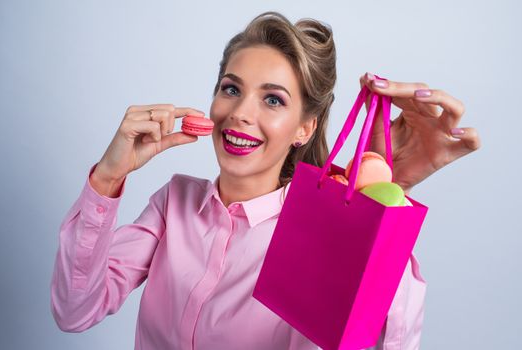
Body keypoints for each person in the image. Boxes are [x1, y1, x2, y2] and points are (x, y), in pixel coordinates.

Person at [50, 11, 480, 350]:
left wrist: (383, 215)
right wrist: (108, 176)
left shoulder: (323, 231)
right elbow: (74, 312)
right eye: (231, 89)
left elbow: (385, 341)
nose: (240, 113)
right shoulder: (173, 202)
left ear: (304, 129)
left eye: (272, 99)